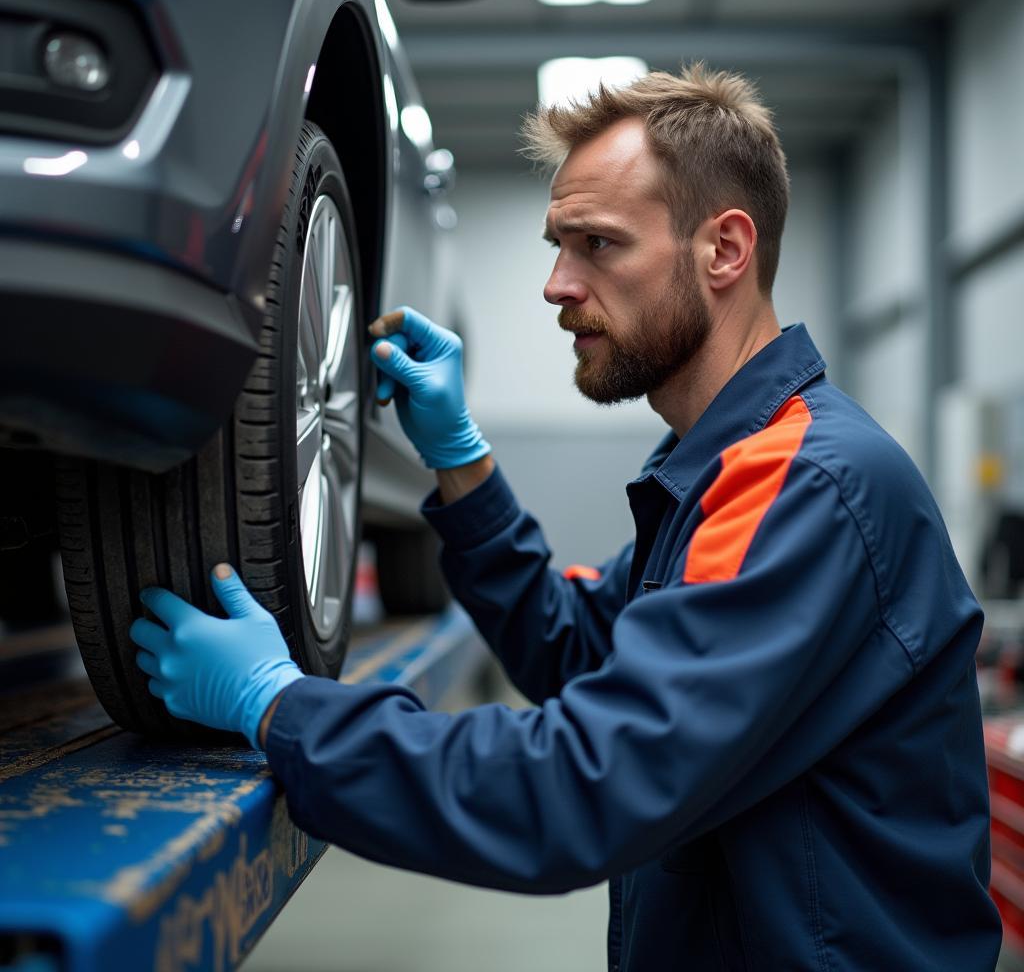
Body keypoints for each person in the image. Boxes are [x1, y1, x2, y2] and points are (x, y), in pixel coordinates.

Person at [130, 63, 1002, 970]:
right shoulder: (716, 467)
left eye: (597, 244)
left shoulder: (811, 485)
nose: (555, 285)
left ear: (725, 250)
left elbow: (583, 785)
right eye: (557, 243)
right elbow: (581, 647)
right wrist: (460, 460)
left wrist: (281, 708)